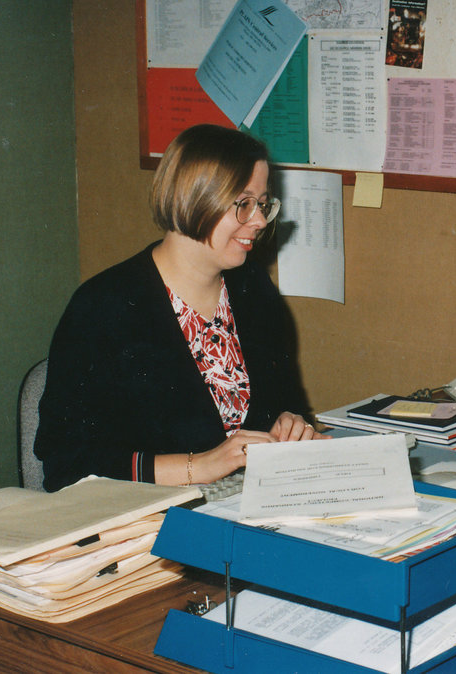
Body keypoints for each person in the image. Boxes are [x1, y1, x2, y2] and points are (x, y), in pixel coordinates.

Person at [35, 124, 326, 492]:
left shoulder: (253, 290)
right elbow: (67, 465)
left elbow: (287, 403)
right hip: (149, 516)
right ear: (194, 198)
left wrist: (292, 423)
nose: (259, 221)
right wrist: (201, 466)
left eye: (263, 204)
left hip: (249, 501)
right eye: (244, 204)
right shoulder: (102, 309)